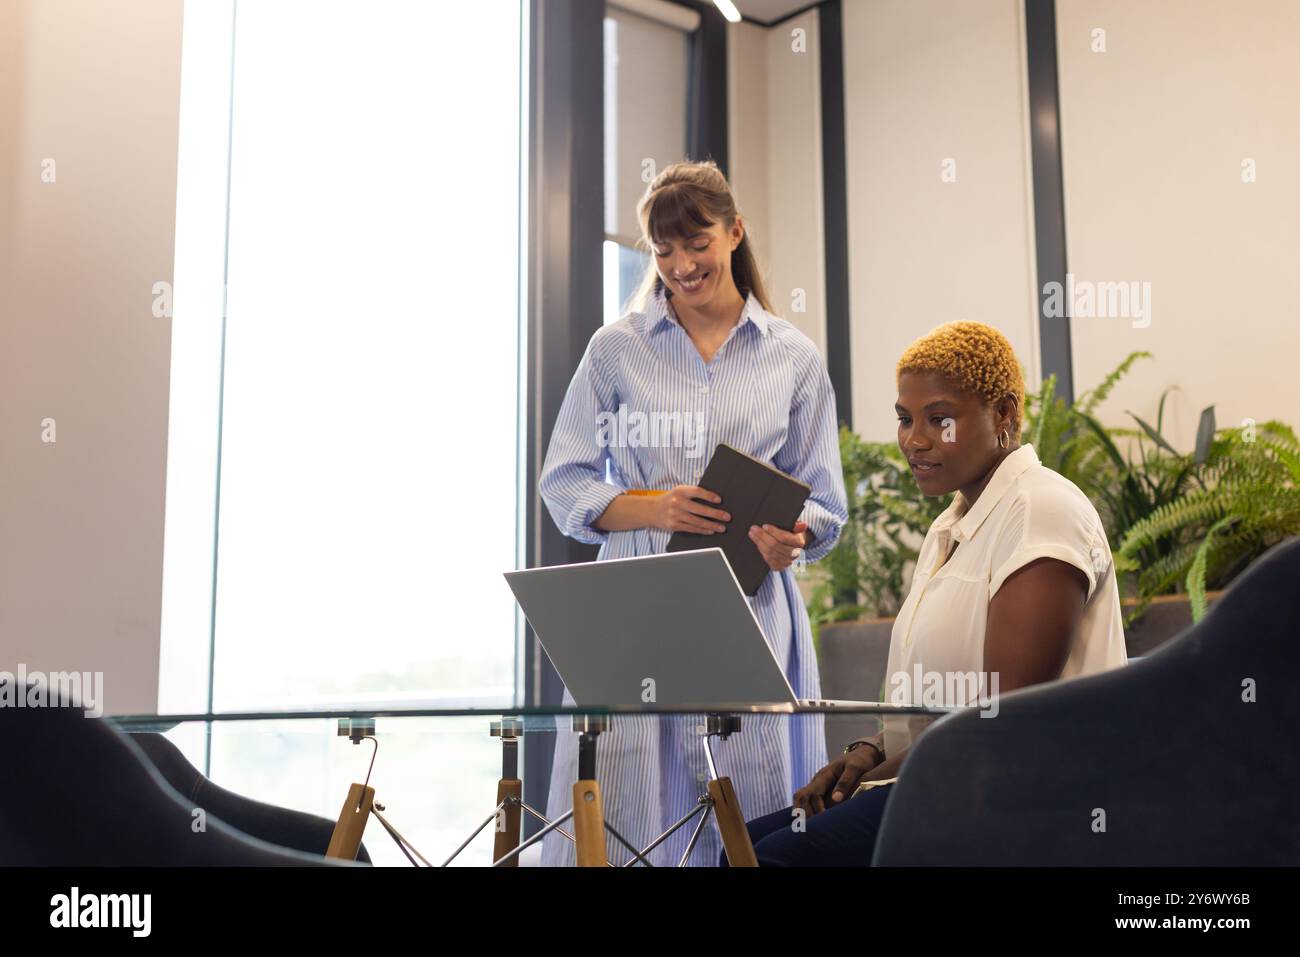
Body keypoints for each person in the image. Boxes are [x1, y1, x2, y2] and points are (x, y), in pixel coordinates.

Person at [538, 160, 848, 866]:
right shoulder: (616, 349)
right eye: (663, 249)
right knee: (626, 806)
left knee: (754, 809)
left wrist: (792, 536)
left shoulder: (794, 359)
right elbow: (565, 482)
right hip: (637, 604)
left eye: (696, 242)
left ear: (734, 232)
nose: (681, 264)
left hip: (751, 600)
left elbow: (826, 505)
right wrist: (657, 504)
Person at [729, 320, 1128, 866]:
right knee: (739, 847)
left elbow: (1002, 717)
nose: (915, 439)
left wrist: (873, 781)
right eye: (904, 419)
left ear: (1004, 414)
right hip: (944, 777)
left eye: (940, 419)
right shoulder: (951, 526)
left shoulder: (1041, 510)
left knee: (774, 859)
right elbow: (942, 704)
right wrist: (869, 753)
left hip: (1015, 801)